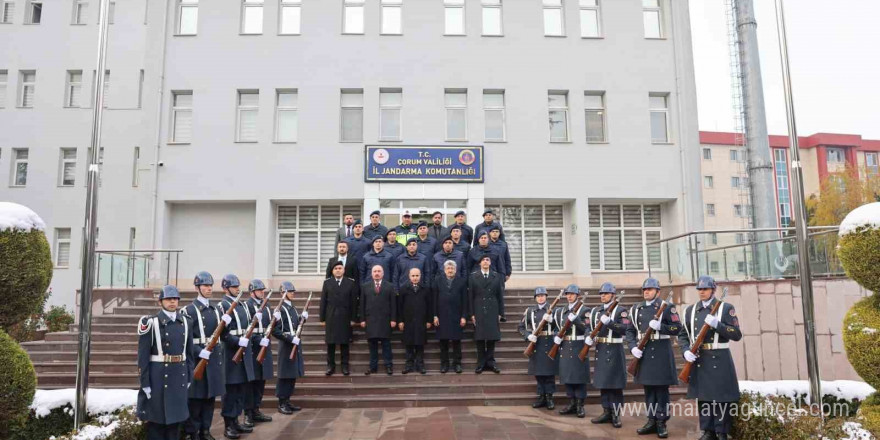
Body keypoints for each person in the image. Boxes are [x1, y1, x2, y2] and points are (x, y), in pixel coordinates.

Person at [677, 276, 742, 440]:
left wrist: (717, 325)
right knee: (704, 397)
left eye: (705, 289)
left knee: (721, 397)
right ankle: (708, 430)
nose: (702, 292)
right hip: (700, 359)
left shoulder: (725, 308)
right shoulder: (690, 311)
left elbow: (736, 334)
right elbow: (683, 335)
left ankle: (721, 431)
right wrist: (686, 351)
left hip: (719, 357)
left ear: (713, 290)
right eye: (699, 289)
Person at [136, 285, 194, 440]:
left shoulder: (187, 322)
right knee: (157, 422)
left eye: (175, 299)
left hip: (178, 376)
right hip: (158, 377)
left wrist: (189, 376)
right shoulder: (151, 323)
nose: (172, 302)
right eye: (168, 299)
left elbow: (189, 353)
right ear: (160, 301)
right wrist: (145, 383)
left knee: (175, 421)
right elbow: (143, 357)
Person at [626, 278, 681, 438]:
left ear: (657, 291)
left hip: (661, 353)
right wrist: (633, 347)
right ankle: (651, 420)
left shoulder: (667, 307)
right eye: (645, 289)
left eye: (650, 289)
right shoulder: (636, 308)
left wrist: (661, 327)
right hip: (644, 352)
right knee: (649, 390)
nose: (646, 292)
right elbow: (630, 331)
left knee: (661, 390)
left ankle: (661, 422)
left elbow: (677, 328)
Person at [181, 272, 225, 440]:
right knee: (195, 399)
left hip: (213, 359)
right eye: (205, 286)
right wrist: (199, 351)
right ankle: (193, 433)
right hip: (197, 359)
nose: (209, 288)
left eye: (210, 285)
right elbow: (184, 339)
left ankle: (206, 430)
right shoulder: (188, 310)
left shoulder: (215, 309)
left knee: (209, 397)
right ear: (197, 288)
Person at [218, 274, 255, 438]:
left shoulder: (242, 305)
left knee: (241, 390)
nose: (237, 289)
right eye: (234, 287)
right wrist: (237, 341)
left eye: (238, 286)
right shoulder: (222, 306)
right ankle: (228, 424)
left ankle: (236, 421)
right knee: (231, 391)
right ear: (226, 288)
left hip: (243, 351)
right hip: (231, 353)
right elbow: (222, 334)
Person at [587, 282, 628, 428]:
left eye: (606, 293)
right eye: (601, 294)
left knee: (615, 383)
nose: (603, 296)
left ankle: (616, 414)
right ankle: (606, 411)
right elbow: (589, 327)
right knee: (604, 382)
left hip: (615, 348)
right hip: (601, 348)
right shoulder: (595, 311)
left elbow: (625, 328)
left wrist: (610, 323)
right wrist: (588, 336)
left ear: (613, 295)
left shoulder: (620, 310)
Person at [552, 284, 590, 419]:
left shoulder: (585, 310)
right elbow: (556, 327)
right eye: (567, 294)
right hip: (566, 346)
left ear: (578, 295)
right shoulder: (560, 311)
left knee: (579, 377)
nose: (569, 296)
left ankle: (580, 404)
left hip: (579, 345)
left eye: (572, 294)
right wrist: (556, 337)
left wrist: (577, 320)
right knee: (568, 376)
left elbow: (587, 328)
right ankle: (572, 403)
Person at [518, 286, 559, 411]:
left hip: (549, 342)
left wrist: (552, 321)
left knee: (549, 373)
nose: (540, 298)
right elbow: (521, 327)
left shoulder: (554, 310)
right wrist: (528, 335)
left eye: (542, 295)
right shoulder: (530, 311)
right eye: (538, 296)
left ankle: (549, 397)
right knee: (539, 373)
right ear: (535, 298)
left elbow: (560, 327)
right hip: (536, 343)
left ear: (546, 297)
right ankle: (541, 397)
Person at [272, 281, 305, 415]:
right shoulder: (279, 309)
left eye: (293, 291)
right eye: (290, 291)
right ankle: (281, 402)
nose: (292, 293)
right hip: (286, 344)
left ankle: (287, 400)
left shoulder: (292, 307)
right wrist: (290, 338)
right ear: (282, 293)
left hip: (294, 343)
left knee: (292, 374)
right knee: (284, 374)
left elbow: (295, 324)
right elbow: (275, 331)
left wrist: (302, 319)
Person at [320, 261, 359, 376]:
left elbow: (353, 303)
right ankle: (330, 366)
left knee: (344, 343)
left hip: (345, 317)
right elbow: (323, 302)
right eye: (336, 268)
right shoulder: (327, 283)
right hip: (331, 316)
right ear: (332, 271)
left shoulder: (350, 283)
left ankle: (345, 366)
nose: (338, 270)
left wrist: (353, 319)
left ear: (344, 270)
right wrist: (322, 318)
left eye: (340, 268)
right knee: (331, 344)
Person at [243, 280, 273, 426]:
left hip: (264, 347)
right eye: (259, 290)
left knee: (261, 381)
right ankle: (248, 412)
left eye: (263, 290)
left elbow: (271, 326)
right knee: (251, 382)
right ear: (252, 291)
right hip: (253, 349)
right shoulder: (246, 306)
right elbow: (247, 330)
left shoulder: (266, 306)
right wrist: (257, 339)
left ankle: (256, 409)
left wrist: (276, 319)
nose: (262, 292)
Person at [468, 255, 504, 374]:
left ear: (490, 263)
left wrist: (500, 313)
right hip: (478, 309)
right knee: (480, 338)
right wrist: (471, 313)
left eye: (487, 260)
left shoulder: (496, 276)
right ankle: (481, 363)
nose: (485, 262)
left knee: (491, 337)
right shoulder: (473, 277)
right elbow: (470, 297)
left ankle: (490, 362)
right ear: (479, 263)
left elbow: (500, 296)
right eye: (483, 260)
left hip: (493, 309)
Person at [360, 265, 398, 375]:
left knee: (386, 345)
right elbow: (362, 304)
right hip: (370, 320)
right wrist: (362, 319)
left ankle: (388, 366)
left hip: (385, 320)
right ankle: (373, 367)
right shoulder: (365, 286)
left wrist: (393, 319)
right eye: (375, 271)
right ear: (371, 273)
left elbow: (393, 304)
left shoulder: (390, 286)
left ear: (383, 273)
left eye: (379, 271)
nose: (377, 273)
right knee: (372, 346)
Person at [432, 260, 468, 374]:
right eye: (448, 268)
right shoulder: (437, 280)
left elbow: (465, 301)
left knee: (456, 342)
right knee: (443, 342)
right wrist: (434, 315)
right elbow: (434, 300)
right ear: (444, 270)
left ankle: (457, 364)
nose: (450, 270)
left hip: (456, 316)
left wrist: (463, 316)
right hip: (441, 316)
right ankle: (444, 364)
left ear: (456, 270)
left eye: (452, 268)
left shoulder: (461, 281)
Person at [397, 268, 433, 374]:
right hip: (408, 321)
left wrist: (429, 320)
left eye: (417, 276)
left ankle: (420, 365)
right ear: (409, 276)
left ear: (420, 276)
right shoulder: (404, 289)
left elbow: (429, 306)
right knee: (409, 344)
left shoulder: (425, 289)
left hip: (421, 321)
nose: (415, 278)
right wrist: (400, 321)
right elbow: (399, 306)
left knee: (419, 344)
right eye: (413, 276)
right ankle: (409, 365)